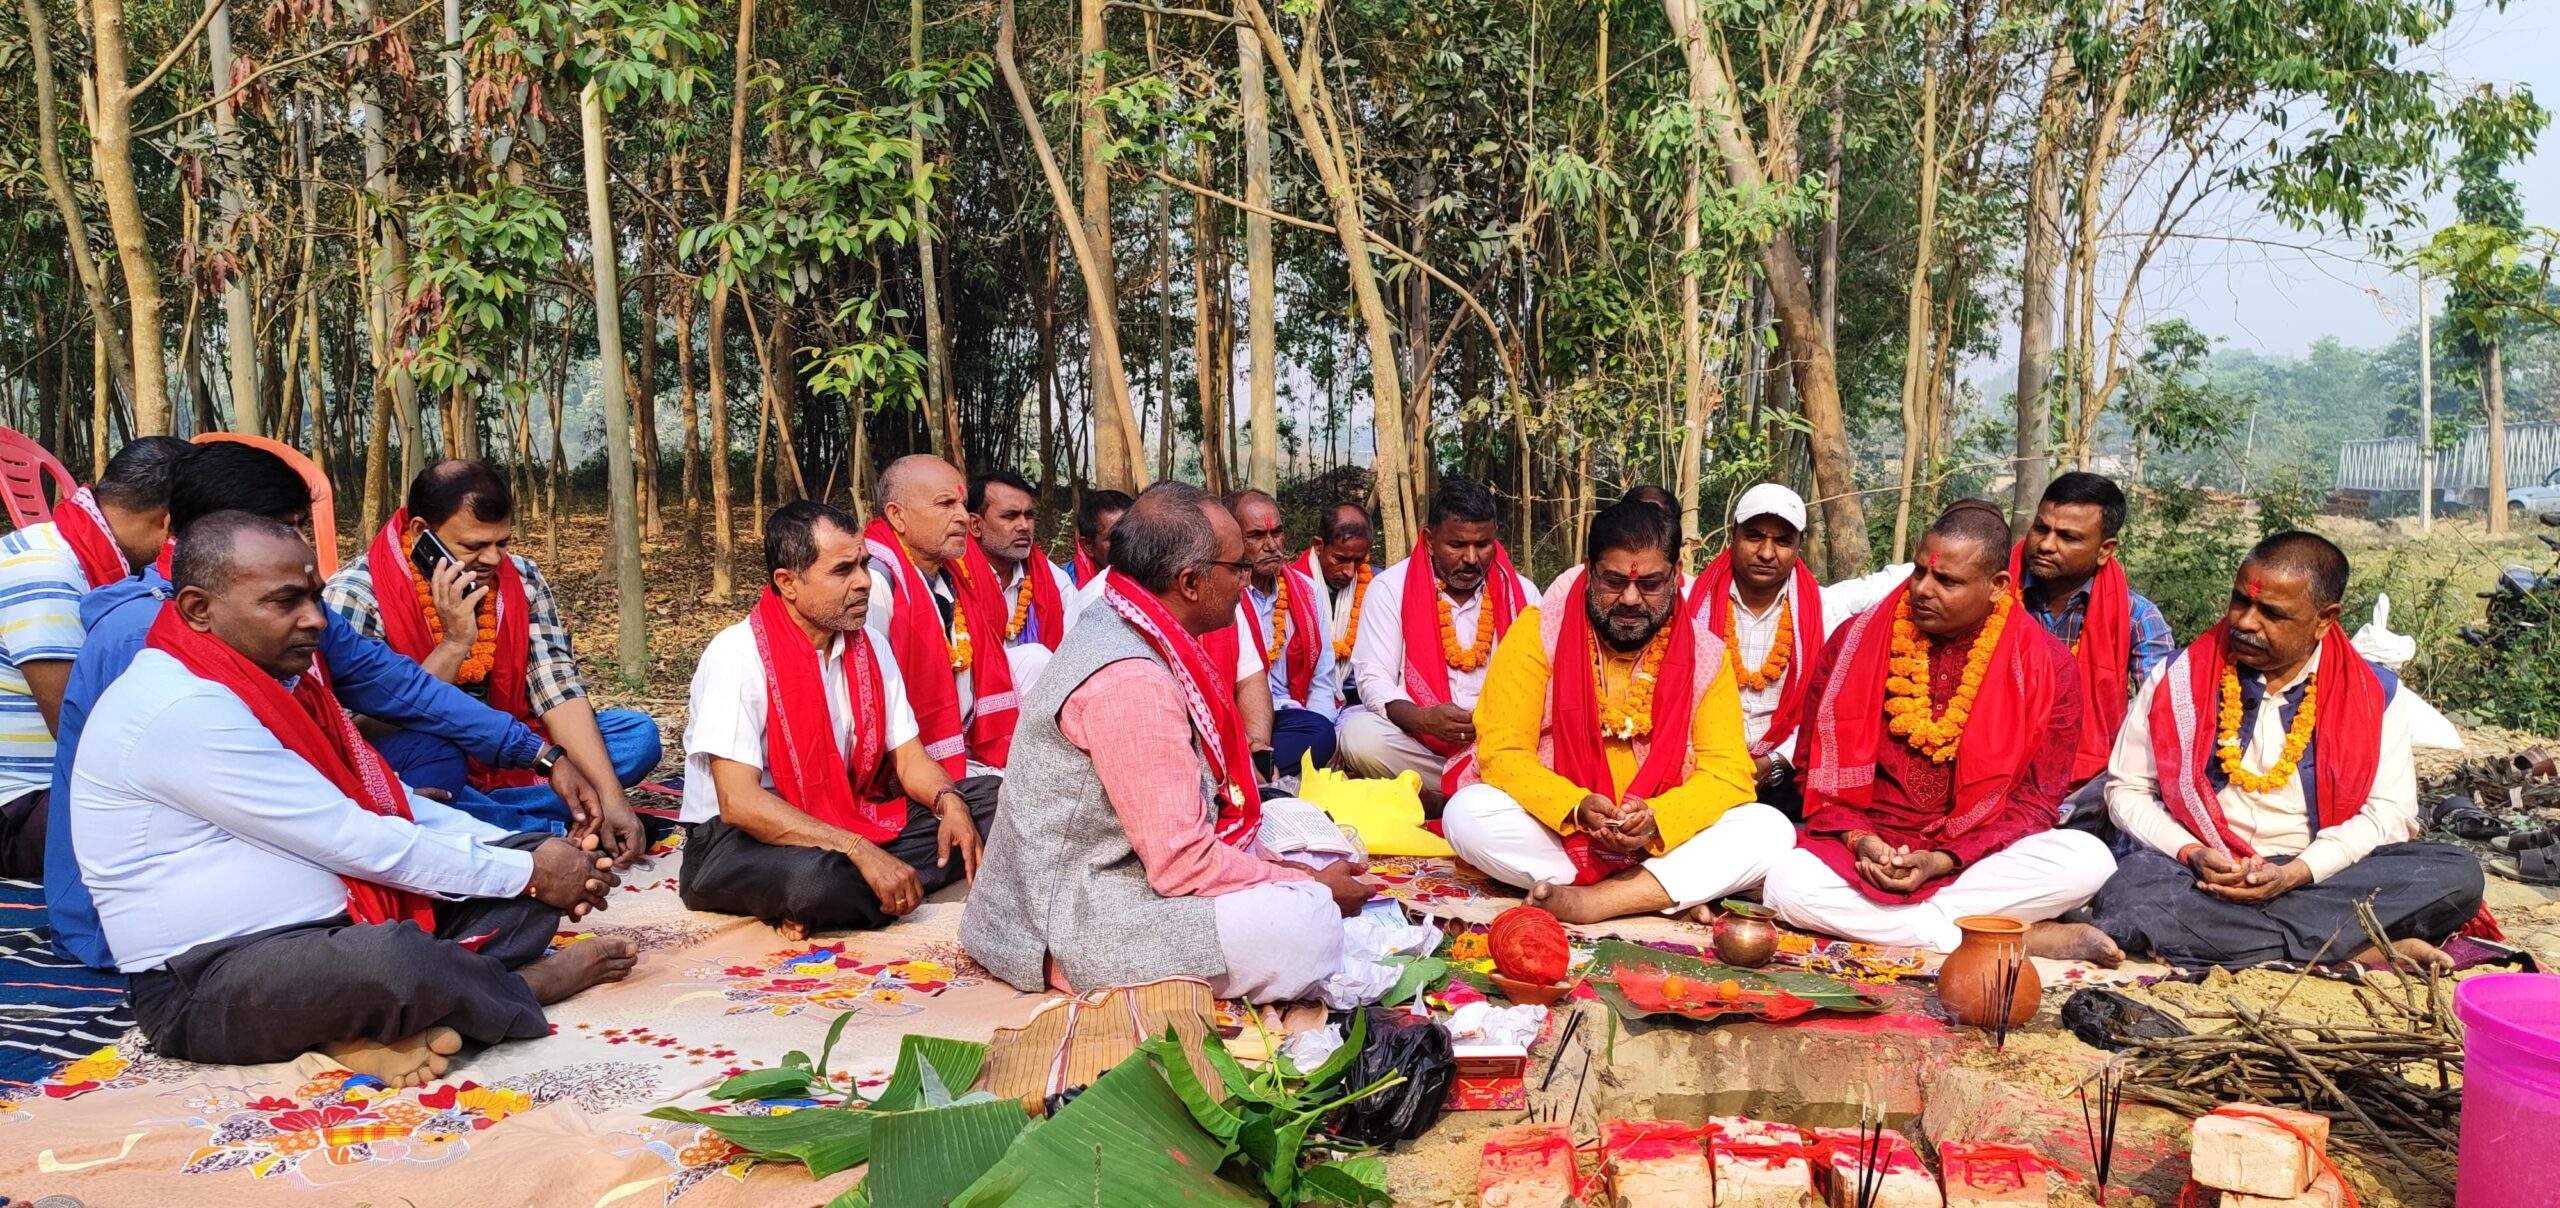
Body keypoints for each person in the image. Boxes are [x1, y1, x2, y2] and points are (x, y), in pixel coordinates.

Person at [69, 512, 636, 1086]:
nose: (315, 619)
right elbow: (354, 837)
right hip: (208, 978)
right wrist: (530, 873)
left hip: (338, 922)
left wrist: (532, 857)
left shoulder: (280, 685)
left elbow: (389, 800)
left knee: (517, 874)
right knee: (397, 960)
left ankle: (372, 1027)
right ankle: (518, 988)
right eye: (284, 602)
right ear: (198, 609)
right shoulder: (181, 709)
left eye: (314, 596)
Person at [43, 441, 604, 971]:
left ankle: (493, 868)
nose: (302, 580)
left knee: (488, 856)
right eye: (277, 534)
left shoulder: (299, 609)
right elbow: (304, 817)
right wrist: (489, 857)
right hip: (191, 900)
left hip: (298, 820)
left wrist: (540, 754)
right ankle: (479, 958)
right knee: (433, 907)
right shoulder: (141, 641)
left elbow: (403, 689)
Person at [962, 484, 1374, 999]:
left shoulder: (1127, 615)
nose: (1246, 583)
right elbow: (1182, 862)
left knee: (1295, 855)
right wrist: (1312, 888)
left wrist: (1289, 870)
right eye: (1236, 569)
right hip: (1069, 921)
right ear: (1190, 582)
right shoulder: (1132, 678)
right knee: (1307, 927)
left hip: (1095, 878)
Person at [2092, 533, 2482, 971]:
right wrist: (2191, 853)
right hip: (2204, 873)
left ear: (2325, 619)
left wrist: (2297, 872)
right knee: (2127, 893)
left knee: (2458, 873)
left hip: (2319, 874)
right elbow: (2127, 789)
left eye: (2272, 613)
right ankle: (2354, 943)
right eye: (2241, 601)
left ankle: (2265, 941)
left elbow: (2389, 814)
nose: (2246, 622)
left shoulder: (2375, 693)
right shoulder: (2177, 677)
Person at [1759, 501, 2121, 961]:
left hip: (1976, 852)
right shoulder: (1855, 640)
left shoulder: (2048, 666)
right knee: (1788, 884)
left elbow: (2036, 801)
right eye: (1918, 573)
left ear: (1997, 587)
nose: (1922, 590)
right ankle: (2008, 935)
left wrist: (1942, 859)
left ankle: (1920, 927)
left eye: (1946, 581)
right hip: (1866, 849)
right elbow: (1813, 770)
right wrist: (1863, 840)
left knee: (2087, 860)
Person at [1442, 499, 1794, 924]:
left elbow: (1726, 772)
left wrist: (1657, 820)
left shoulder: (1705, 653)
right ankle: (1662, 891)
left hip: (1661, 833)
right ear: (1589, 569)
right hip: (1562, 828)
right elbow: (1503, 750)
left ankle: (1593, 901)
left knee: (1770, 830)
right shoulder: (1538, 632)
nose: (1630, 599)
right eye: (1613, 581)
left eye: (1650, 584)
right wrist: (1573, 805)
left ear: (1676, 575)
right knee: (1468, 815)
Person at [679, 501, 998, 940]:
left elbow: (908, 760)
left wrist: (950, 801)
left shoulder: (869, 647)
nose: (864, 582)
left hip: (845, 812)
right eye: (843, 570)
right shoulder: (736, 656)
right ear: (788, 583)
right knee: (816, 880)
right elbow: (740, 803)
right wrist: (856, 848)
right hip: (737, 840)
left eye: (864, 564)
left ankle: (836, 900)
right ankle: (834, 892)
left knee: (995, 801)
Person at [325, 461, 656, 846]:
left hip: (518, 748)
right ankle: (537, 827)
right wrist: (454, 643)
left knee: (636, 737)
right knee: (428, 770)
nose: (494, 560)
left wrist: (615, 800)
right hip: (425, 755)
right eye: (474, 546)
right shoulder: (355, 593)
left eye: (502, 543)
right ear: (420, 533)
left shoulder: (521, 578)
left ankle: (491, 819)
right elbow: (352, 734)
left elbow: (557, 690)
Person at [0, 435, 190, 879]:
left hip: (57, 788)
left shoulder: (73, 551)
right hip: (20, 804)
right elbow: (75, 726)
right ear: (167, 525)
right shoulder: (45, 571)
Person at [1690, 483, 1910, 819]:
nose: (1766, 552)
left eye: (1782, 541)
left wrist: (1774, 761)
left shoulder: (1821, 609)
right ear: (1732, 535)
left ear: (1798, 547)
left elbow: (1897, 579)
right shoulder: (1691, 605)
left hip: (1783, 774)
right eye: (1754, 536)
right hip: (1701, 764)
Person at [1341, 476, 1539, 799]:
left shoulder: (1523, 595)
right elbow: (1374, 680)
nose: (1472, 558)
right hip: (1422, 745)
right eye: (1458, 545)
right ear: (1431, 540)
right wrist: (1425, 719)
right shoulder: (1391, 589)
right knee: (1358, 736)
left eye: (1483, 544)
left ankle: (1441, 800)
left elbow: (1542, 685)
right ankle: (1475, 797)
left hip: (1500, 747)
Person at [2010, 472, 2175, 828]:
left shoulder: (2136, 618)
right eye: (2041, 529)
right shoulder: (1992, 594)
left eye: (2068, 537)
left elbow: (2159, 715)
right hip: (1989, 769)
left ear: (2105, 550)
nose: (2046, 544)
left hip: (2086, 786)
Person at [864, 455, 1019, 784]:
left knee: (1035, 659)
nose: (963, 517)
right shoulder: (876, 581)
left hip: (958, 740)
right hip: (902, 765)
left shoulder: (949, 574)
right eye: (946, 504)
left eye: (962, 504)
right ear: (897, 516)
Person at [1226, 489, 1343, 776]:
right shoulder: (1225, 596)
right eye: (1256, 536)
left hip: (1292, 718)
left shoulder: (1306, 590)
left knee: (1323, 732)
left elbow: (1322, 678)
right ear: (1231, 539)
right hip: (1241, 719)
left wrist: (1323, 727)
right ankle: (1252, 766)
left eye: (1276, 533)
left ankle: (1251, 770)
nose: (1271, 545)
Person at [968, 469, 1081, 692]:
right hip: (975, 701)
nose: (1023, 526)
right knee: (1034, 659)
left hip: (1041, 702)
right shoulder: (956, 576)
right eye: (1010, 516)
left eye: (1028, 515)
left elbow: (1079, 635)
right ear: (976, 525)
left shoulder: (1046, 575)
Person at [1298, 503, 1375, 704]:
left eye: (1358, 561)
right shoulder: (1291, 589)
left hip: (1361, 698)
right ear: (1318, 545)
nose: (1350, 571)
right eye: (1341, 559)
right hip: (1305, 698)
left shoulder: (1375, 586)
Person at [1068, 489, 1133, 584]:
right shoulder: (1067, 589)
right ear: (1088, 546)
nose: (1129, 544)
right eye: (1116, 538)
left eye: (1134, 533)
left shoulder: (1152, 574)